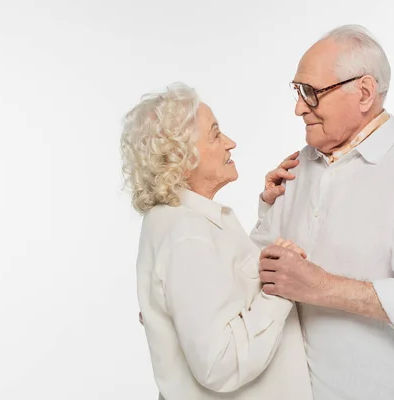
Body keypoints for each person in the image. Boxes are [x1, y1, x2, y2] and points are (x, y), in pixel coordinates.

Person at [252, 24, 394, 400]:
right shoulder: (298, 167)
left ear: (364, 93)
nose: (299, 107)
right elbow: (262, 267)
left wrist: (321, 287)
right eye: (298, 91)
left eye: (311, 93)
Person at [120, 83, 312, 400]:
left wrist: (269, 209)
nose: (230, 143)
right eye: (215, 134)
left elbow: (227, 283)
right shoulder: (187, 236)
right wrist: (281, 293)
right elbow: (220, 363)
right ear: (181, 156)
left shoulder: (180, 221)